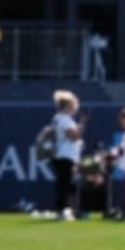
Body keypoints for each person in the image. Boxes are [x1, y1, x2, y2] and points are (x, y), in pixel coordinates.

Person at [34, 90, 83, 221]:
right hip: (65, 156)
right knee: (65, 184)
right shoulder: (65, 119)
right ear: (68, 106)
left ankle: (64, 208)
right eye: (74, 105)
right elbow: (74, 136)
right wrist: (82, 124)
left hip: (60, 155)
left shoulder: (57, 118)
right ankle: (62, 210)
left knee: (64, 183)